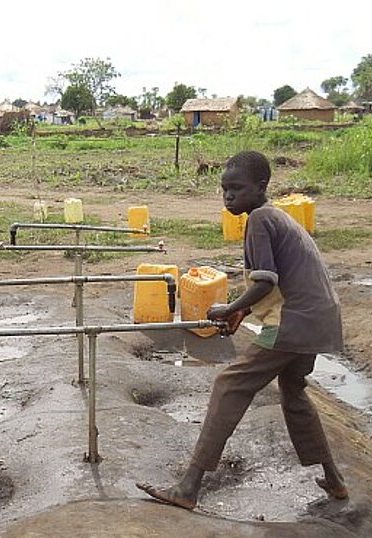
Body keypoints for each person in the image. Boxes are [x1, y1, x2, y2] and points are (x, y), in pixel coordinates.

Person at [136, 150, 348, 510]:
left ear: (261, 186)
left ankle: (188, 487)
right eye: (224, 190)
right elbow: (277, 280)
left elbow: (266, 280)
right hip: (318, 319)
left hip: (290, 323)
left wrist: (230, 307)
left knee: (229, 383)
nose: (229, 196)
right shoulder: (278, 218)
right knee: (294, 392)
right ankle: (334, 479)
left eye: (237, 188)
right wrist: (243, 309)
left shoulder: (261, 220)